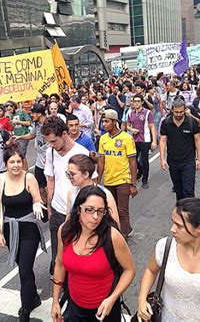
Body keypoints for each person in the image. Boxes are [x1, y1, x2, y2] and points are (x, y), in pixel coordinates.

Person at [137, 198, 200, 322]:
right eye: (173, 222)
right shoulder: (165, 247)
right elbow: (151, 271)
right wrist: (142, 300)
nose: (172, 229)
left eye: (179, 226)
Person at [51, 186, 136, 322]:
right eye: (89, 210)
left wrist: (112, 299)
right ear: (78, 209)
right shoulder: (65, 231)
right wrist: (55, 301)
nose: (95, 217)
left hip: (104, 311)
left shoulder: (112, 236)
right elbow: (60, 265)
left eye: (100, 211)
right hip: (75, 308)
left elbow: (129, 269)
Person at [0, 145, 46, 322]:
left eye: (18, 161)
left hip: (29, 228)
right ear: (6, 163)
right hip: (10, 230)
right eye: (11, 162)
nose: (16, 165)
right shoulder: (1, 180)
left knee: (24, 269)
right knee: (25, 269)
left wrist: (37, 204)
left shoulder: (29, 178)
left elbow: (37, 199)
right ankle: (34, 298)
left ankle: (25, 310)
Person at [41, 116, 95, 276]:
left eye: (53, 141)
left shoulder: (82, 153)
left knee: (79, 255)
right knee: (58, 257)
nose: (51, 145)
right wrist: (49, 208)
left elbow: (92, 184)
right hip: (57, 212)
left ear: (64, 134)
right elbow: (50, 181)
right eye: (49, 142)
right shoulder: (50, 152)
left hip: (78, 213)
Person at [97, 109, 138, 237]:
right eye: (102, 122)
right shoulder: (103, 139)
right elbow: (101, 161)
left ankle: (123, 237)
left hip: (123, 180)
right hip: (109, 180)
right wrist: (98, 180)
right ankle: (122, 230)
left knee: (122, 210)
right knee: (111, 211)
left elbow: (132, 161)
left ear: (114, 122)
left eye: (107, 121)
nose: (104, 124)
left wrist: (133, 183)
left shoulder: (126, 138)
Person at [160, 98, 200, 200]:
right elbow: (163, 141)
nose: (179, 114)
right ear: (172, 110)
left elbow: (198, 140)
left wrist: (198, 159)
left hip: (188, 161)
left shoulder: (191, 122)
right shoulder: (166, 122)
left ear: (185, 110)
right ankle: (181, 211)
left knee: (188, 190)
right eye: (176, 112)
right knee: (178, 189)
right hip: (173, 161)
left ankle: (190, 212)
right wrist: (162, 159)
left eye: (181, 112)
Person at [65, 154, 120, 226]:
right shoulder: (71, 192)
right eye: (68, 173)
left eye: (72, 174)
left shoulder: (105, 194)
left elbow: (115, 223)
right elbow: (68, 220)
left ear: (85, 174)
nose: (69, 177)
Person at [13, 104, 49, 204]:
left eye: (33, 113)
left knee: (49, 187)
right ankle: (45, 206)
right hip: (39, 161)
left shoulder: (50, 124)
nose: (31, 115)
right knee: (40, 185)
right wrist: (19, 137)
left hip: (50, 160)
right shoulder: (36, 124)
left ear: (39, 114)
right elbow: (32, 135)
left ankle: (52, 207)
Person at [127, 94, 157, 189]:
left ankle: (145, 179)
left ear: (142, 102)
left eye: (138, 101)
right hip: (134, 140)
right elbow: (127, 125)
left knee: (144, 160)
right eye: (134, 101)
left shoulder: (147, 113)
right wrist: (132, 130)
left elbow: (152, 126)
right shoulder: (130, 113)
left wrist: (154, 141)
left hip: (145, 140)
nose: (136, 103)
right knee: (134, 159)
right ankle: (140, 170)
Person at [11, 102, 31, 170]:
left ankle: (25, 171)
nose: (9, 111)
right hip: (16, 136)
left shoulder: (22, 111)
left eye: (10, 109)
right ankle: (24, 170)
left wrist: (18, 122)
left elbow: (28, 123)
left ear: (13, 107)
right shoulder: (12, 115)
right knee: (20, 154)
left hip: (24, 135)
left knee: (21, 155)